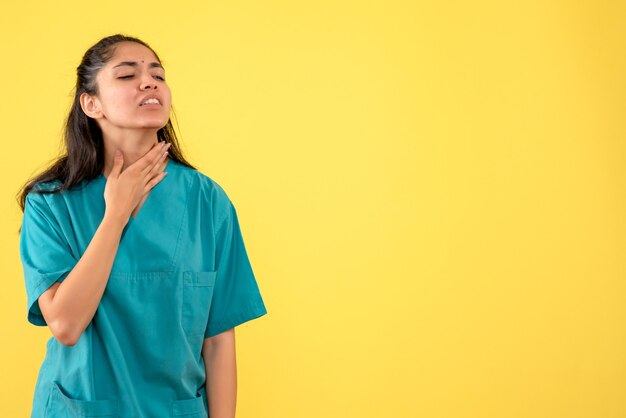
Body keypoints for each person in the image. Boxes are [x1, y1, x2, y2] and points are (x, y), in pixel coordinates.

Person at [16, 34, 268, 418]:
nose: (149, 82)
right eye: (127, 75)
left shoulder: (207, 201)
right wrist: (116, 213)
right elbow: (65, 324)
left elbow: (217, 342)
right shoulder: (50, 203)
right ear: (91, 103)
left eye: (158, 75)